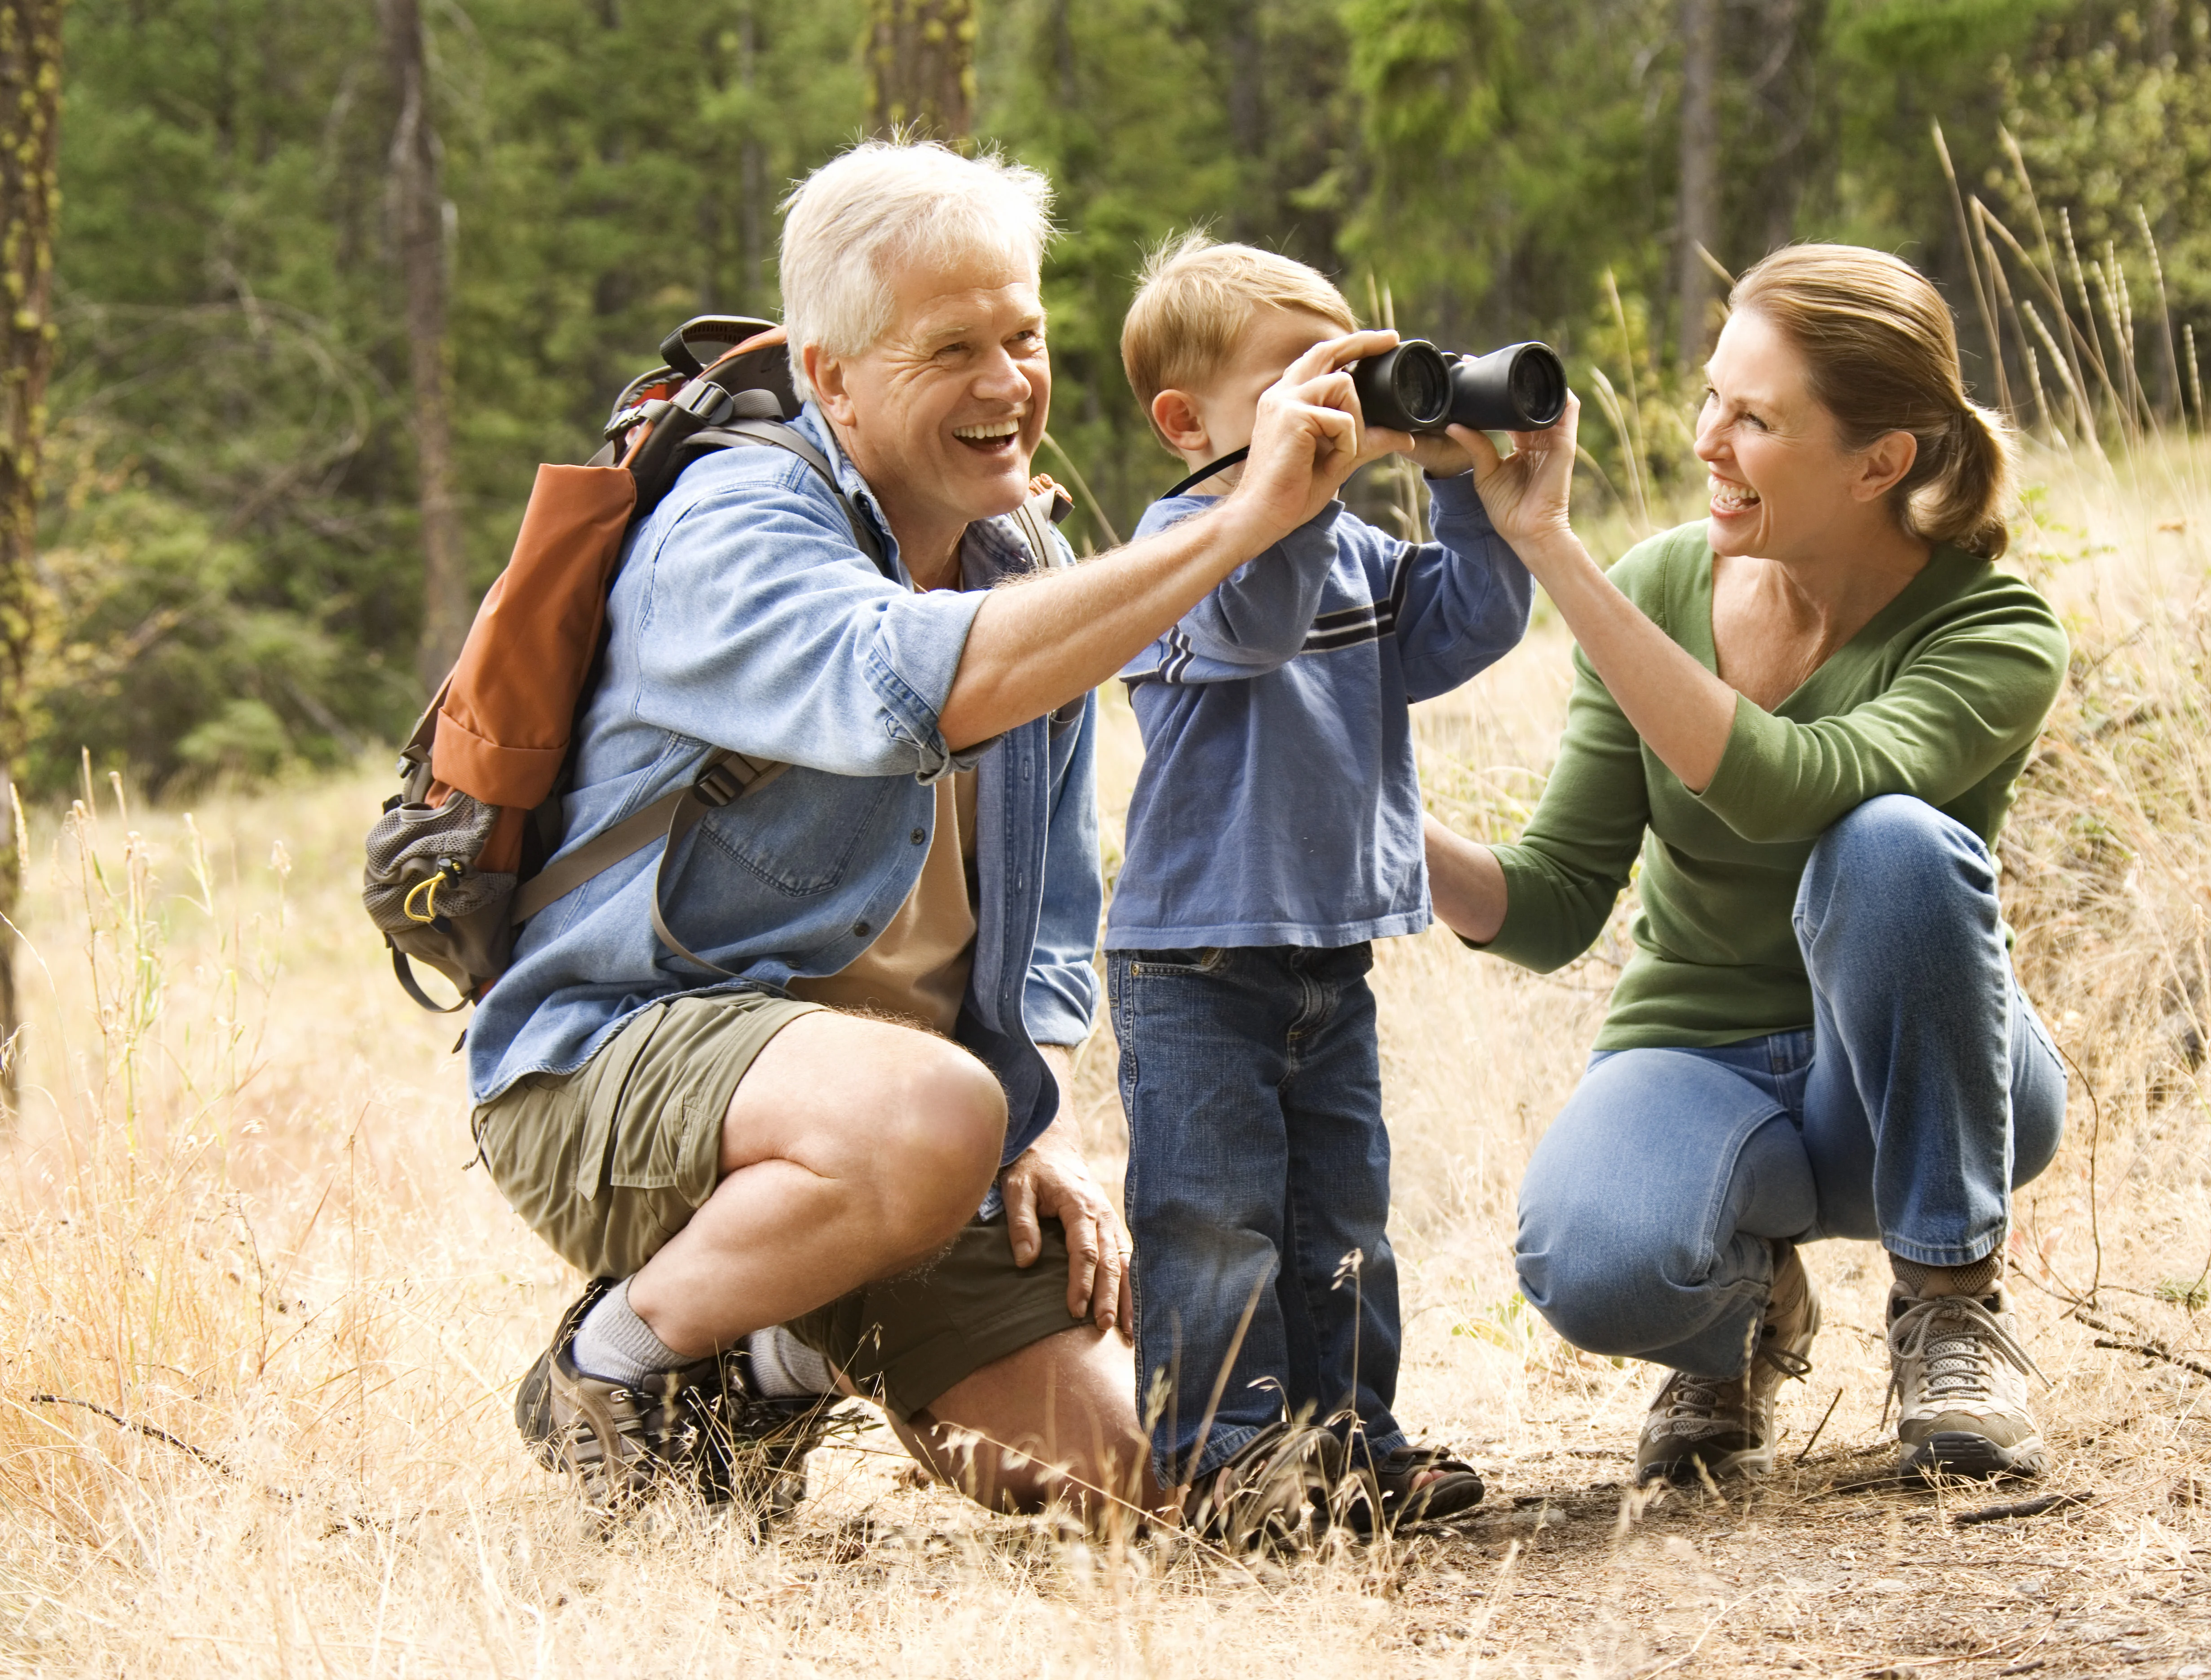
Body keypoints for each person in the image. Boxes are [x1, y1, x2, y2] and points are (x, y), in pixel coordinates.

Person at [467, 141, 1402, 1527]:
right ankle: (614, 1366)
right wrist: (1246, 512)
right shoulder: (734, 521)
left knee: (1141, 1488)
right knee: (932, 1111)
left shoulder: (1023, 555)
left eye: (1022, 336)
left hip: (906, 1132)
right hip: (610, 1076)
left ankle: (773, 1360)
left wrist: (1042, 1131)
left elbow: (1044, 913)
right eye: (948, 348)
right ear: (831, 374)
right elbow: (915, 681)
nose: (1006, 382)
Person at [1419, 243, 2071, 1486]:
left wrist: (1551, 549)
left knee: (1890, 842)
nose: (1708, 440)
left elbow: (1790, 787)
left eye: (1756, 418)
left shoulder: (1991, 629)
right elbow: (1555, 901)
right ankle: (1740, 1312)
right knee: (1593, 1261)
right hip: (1698, 1054)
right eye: (1710, 396)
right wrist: (1376, 814)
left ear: (1879, 461)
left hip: (1913, 1089)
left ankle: (1948, 1304)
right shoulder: (1662, 583)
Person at [1104, 237, 1530, 1534]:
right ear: (1187, 424)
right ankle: (1230, 1464)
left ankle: (1353, 1441)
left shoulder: (1347, 549)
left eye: (1348, 373)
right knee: (1213, 1220)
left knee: (1342, 1218)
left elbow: (1471, 623)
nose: (1337, 406)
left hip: (1325, 958)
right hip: (1192, 963)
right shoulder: (1177, 547)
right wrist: (1283, 501)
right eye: (1298, 381)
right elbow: (1255, 626)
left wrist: (1464, 484)